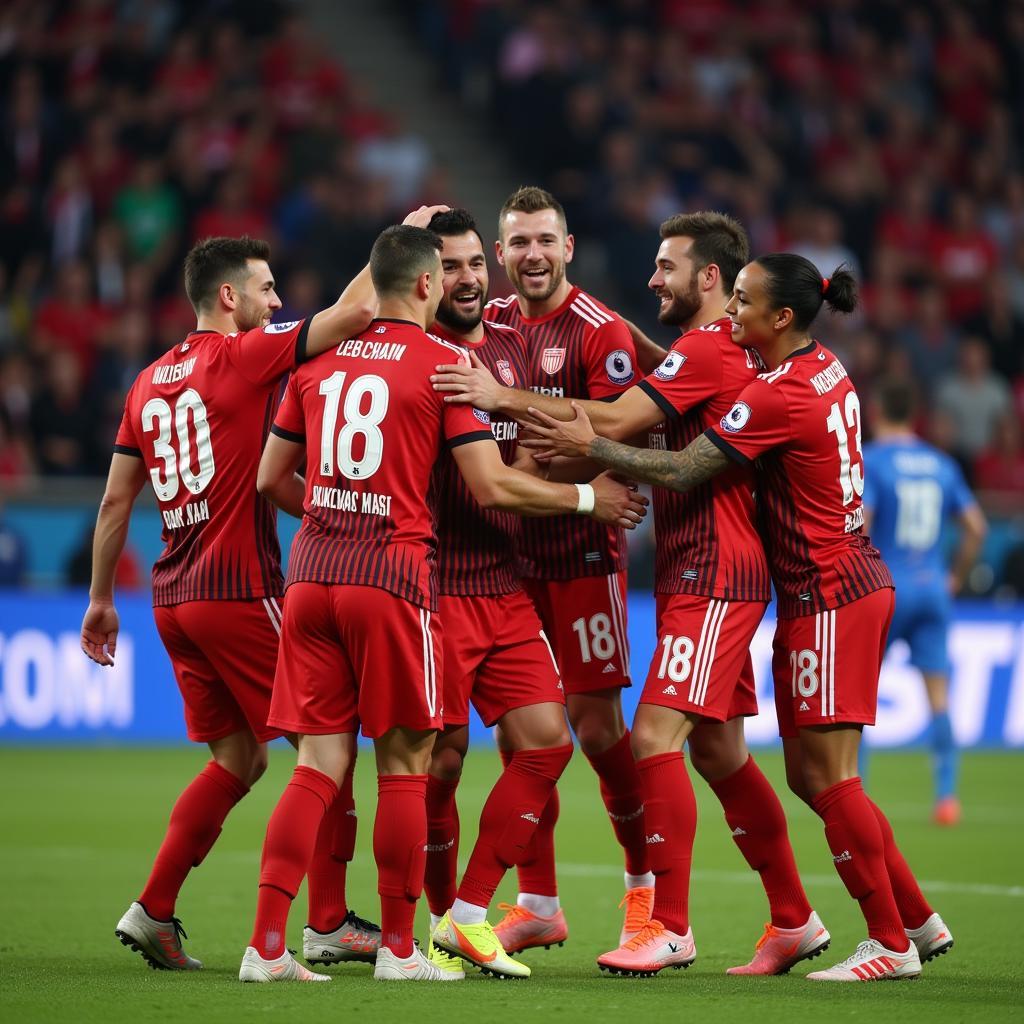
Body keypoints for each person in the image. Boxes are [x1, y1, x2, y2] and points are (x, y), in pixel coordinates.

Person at [522, 254, 954, 982]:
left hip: (810, 588)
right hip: (824, 582)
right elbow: (698, 369)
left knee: (712, 748)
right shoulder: (822, 367)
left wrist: (582, 443)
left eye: (743, 303)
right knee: (765, 765)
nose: (732, 317)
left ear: (776, 315)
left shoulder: (777, 392)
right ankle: (880, 917)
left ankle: (852, 937)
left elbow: (690, 466)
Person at [242, 224, 646, 983]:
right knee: (421, 767)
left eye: (473, 265)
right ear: (427, 281)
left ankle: (447, 920)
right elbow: (492, 483)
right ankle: (408, 942)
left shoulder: (333, 358)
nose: (465, 279)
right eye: (450, 265)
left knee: (539, 741)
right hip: (417, 582)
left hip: (450, 579)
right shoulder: (444, 365)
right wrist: (589, 496)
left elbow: (270, 479)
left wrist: (335, 518)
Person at [433, 212, 823, 976]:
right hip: (602, 563)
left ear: (708, 278)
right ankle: (791, 917)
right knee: (710, 748)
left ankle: (659, 914)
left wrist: (507, 409)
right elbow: (661, 384)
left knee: (628, 736)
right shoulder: (693, 345)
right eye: (517, 242)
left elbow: (615, 421)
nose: (653, 279)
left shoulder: (653, 337)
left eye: (666, 267)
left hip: (676, 565)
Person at [80, 233, 378, 971]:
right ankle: (327, 921)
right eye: (267, 289)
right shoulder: (241, 356)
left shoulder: (146, 382)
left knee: (240, 759)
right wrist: (395, 246)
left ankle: (153, 909)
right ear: (228, 297)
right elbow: (352, 314)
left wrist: (98, 600)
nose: (276, 303)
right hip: (238, 590)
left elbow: (118, 498)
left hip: (171, 599)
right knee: (328, 745)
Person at [468, 185, 654, 952]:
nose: (532, 256)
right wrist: (552, 437)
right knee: (523, 736)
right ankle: (538, 903)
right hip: (512, 559)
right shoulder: (492, 324)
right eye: (518, 243)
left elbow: (611, 440)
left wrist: (534, 423)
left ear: (568, 247)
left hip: (581, 557)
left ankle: (645, 890)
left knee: (598, 726)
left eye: (545, 241)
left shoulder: (597, 330)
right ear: (501, 251)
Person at [863, 377, 987, 825]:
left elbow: (863, 524)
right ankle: (947, 797)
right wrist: (954, 575)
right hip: (934, 587)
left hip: (886, 588)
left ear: (877, 412)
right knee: (939, 698)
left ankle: (857, 798)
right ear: (913, 414)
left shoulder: (872, 461)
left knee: (859, 693)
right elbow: (976, 526)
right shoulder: (941, 464)